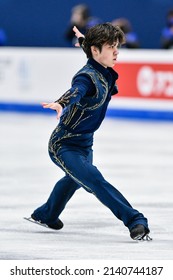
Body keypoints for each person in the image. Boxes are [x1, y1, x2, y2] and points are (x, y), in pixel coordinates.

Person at [29, 23, 151, 241]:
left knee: (74, 178)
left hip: (86, 142)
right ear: (96, 51)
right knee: (94, 180)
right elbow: (77, 90)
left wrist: (87, 42)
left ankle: (46, 214)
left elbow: (94, 52)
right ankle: (135, 220)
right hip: (64, 144)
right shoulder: (86, 77)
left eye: (117, 46)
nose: (116, 51)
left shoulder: (101, 68)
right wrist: (61, 102)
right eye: (111, 46)